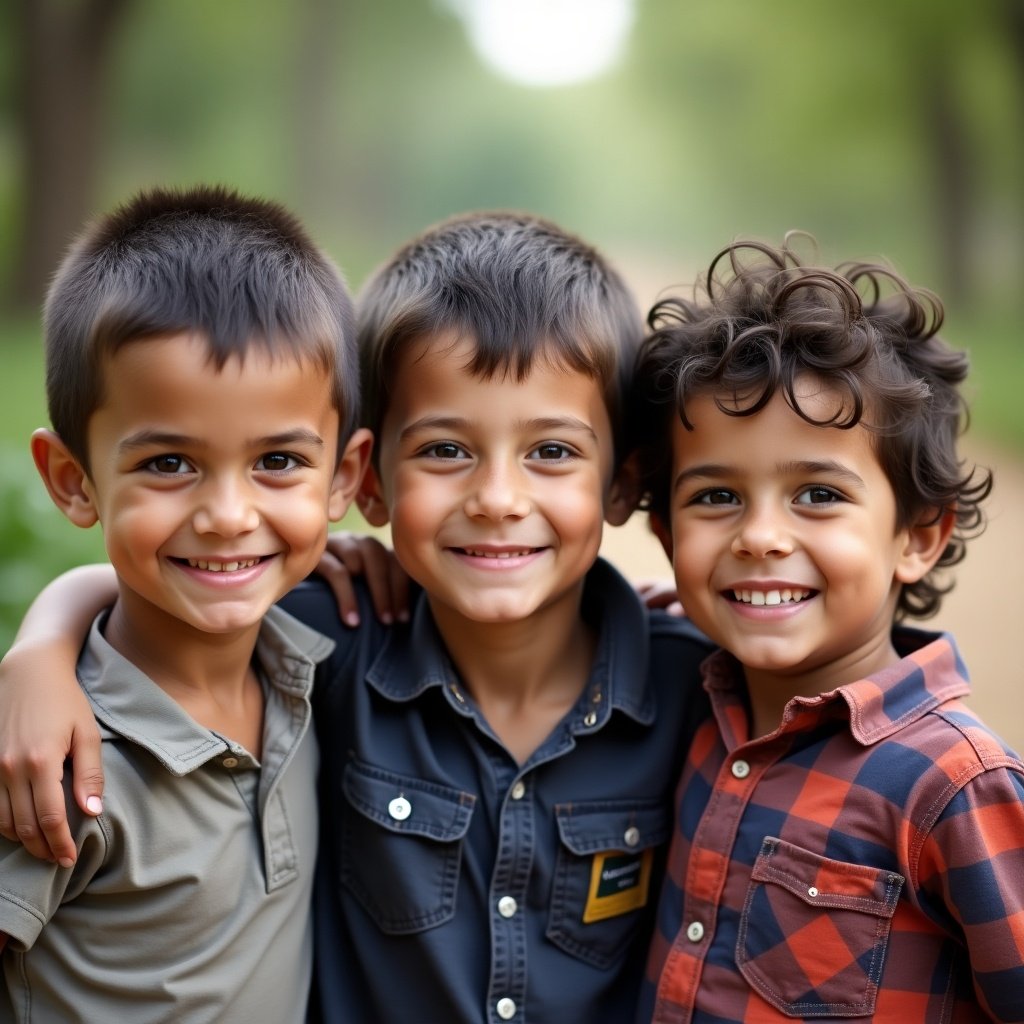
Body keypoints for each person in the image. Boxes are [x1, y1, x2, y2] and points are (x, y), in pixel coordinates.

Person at [0, 211, 712, 1023]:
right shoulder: (328, 646)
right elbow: (164, 592)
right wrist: (42, 650)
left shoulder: (688, 685)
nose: (498, 500)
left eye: (551, 451)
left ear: (624, 481)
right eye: (445, 450)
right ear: (370, 484)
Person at [0, 186, 374, 1021]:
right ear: (73, 481)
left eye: (279, 462)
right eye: (169, 464)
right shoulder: (52, 766)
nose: (230, 516)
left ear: (344, 478)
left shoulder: (315, 667)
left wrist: (45, 635)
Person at [628, 236, 1024, 1020]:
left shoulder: (954, 787)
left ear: (918, 536)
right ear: (668, 536)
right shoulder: (682, 689)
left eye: (817, 495)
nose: (760, 537)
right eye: (714, 498)